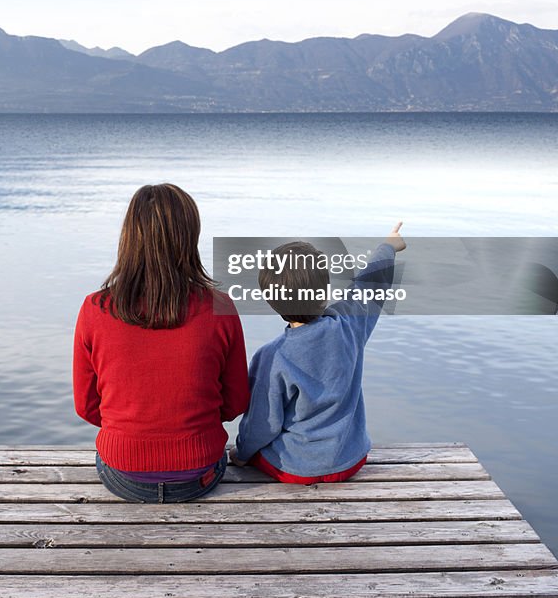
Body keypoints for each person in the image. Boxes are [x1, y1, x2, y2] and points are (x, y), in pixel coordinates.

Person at [73, 183, 250, 502]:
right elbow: (236, 401)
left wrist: (133, 424)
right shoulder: (220, 306)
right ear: (189, 238)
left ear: (129, 237)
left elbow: (86, 407)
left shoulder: (94, 308)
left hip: (123, 473)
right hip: (201, 473)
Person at [231, 223, 406, 484]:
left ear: (270, 299)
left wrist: (242, 453)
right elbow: (371, 283)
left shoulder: (271, 357)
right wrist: (388, 246)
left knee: (257, 448)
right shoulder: (349, 326)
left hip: (295, 469)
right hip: (350, 460)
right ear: (324, 291)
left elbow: (262, 424)